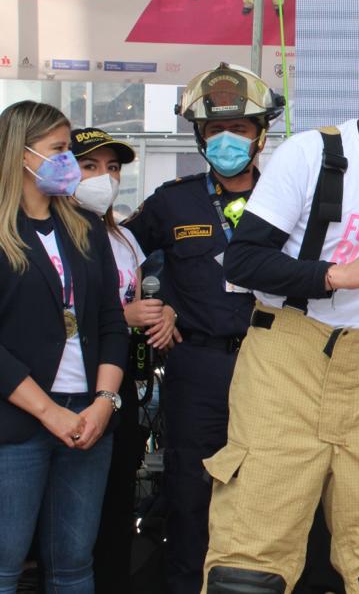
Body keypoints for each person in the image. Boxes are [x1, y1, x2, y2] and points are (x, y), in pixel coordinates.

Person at [203, 13, 359, 594]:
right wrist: (338, 274)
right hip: (287, 358)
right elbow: (242, 262)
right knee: (252, 553)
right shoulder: (309, 153)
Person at [124, 63, 284, 594]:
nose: (226, 140)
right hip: (199, 370)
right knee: (191, 495)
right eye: (215, 130)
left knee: (273, 493)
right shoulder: (173, 200)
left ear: (261, 134)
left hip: (276, 365)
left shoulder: (292, 197)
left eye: (239, 128)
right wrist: (153, 302)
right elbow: (112, 259)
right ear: (198, 135)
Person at [0, 101, 128, 594]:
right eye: (59, 150)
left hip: (88, 420)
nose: (69, 163)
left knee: (74, 565)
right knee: (6, 563)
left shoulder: (85, 226)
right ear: (22, 154)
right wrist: (48, 412)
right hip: (18, 425)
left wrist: (104, 402)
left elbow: (112, 323)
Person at [69, 127, 180, 592]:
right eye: (90, 166)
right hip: (67, 390)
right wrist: (122, 315)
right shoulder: (49, 233)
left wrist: (163, 314)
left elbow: (140, 298)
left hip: (122, 391)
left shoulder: (125, 241)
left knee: (115, 511)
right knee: (67, 526)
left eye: (112, 168)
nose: (104, 177)